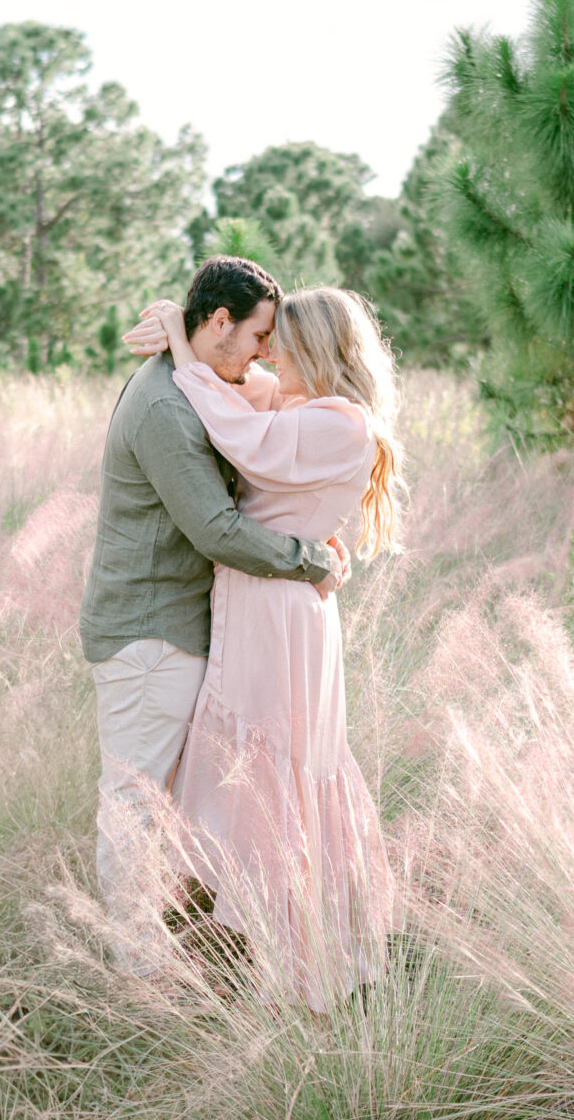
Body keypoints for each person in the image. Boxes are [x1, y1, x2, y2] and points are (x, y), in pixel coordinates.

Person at [125, 285, 403, 1010]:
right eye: (265, 337)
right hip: (261, 598)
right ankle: (237, 940)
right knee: (250, 762)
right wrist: (181, 332)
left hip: (280, 609)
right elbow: (242, 388)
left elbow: (236, 433)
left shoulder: (340, 422)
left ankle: (295, 963)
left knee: (269, 765)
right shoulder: (305, 406)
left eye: (282, 340)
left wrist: (184, 350)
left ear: (316, 348)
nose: (269, 352)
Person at [78, 256, 349, 978]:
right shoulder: (167, 404)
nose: (266, 351)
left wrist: (175, 327)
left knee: (171, 804)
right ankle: (135, 968)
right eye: (259, 334)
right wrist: (308, 558)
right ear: (219, 322)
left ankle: (179, 951)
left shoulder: (194, 381)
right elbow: (216, 529)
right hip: (147, 634)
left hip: (175, 630)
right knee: (135, 799)